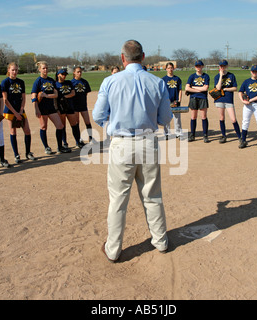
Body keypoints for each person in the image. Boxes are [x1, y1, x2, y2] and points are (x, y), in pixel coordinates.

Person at [93, 40, 173, 263]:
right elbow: (166, 118)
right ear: (143, 57)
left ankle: (113, 249)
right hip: (148, 142)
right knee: (152, 195)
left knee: (118, 199)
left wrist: (110, 126)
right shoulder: (157, 83)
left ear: (122, 58)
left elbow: (98, 115)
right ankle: (160, 241)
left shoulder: (110, 81)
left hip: (121, 144)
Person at [31, 61, 71, 155]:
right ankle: (46, 147)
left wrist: (46, 95)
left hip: (51, 107)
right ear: (40, 69)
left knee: (60, 126)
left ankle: (60, 147)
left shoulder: (51, 81)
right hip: (42, 108)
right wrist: (36, 109)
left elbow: (56, 94)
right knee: (44, 127)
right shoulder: (38, 81)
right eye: (43, 68)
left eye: (46, 68)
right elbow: (33, 96)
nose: (45, 70)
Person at [1, 62, 36, 163]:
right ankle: (16, 155)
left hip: (20, 110)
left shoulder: (21, 82)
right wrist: (15, 113)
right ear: (8, 70)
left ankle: (28, 153)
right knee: (13, 132)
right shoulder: (5, 82)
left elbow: (23, 98)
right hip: (10, 111)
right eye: (12, 70)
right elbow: (5, 100)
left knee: (27, 130)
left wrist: (20, 110)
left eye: (16, 70)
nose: (15, 72)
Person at [238, 65, 257, 150]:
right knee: (245, 122)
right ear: (251, 72)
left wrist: (250, 100)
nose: (254, 73)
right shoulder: (246, 81)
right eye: (253, 71)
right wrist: (242, 100)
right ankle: (243, 141)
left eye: (256, 71)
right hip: (247, 105)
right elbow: (240, 92)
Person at [55, 68, 85, 149]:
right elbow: (55, 97)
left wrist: (64, 96)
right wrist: (57, 108)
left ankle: (78, 141)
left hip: (70, 106)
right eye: (62, 74)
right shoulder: (56, 84)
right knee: (63, 126)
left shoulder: (68, 82)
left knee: (74, 124)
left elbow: (73, 93)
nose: (64, 76)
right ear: (58, 75)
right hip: (61, 108)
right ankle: (65, 143)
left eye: (65, 74)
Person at [213, 60, 241, 144]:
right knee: (221, 117)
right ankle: (224, 135)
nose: (222, 67)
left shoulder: (231, 76)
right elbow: (217, 88)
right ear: (219, 67)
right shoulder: (217, 76)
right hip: (219, 99)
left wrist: (225, 89)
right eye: (221, 66)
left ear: (226, 66)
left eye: (224, 66)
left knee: (233, 119)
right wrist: (221, 76)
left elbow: (235, 88)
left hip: (228, 99)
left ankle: (240, 136)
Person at [185, 60, 210, 143]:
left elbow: (205, 88)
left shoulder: (206, 76)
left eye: (199, 66)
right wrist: (200, 89)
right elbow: (187, 88)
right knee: (193, 117)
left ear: (202, 66)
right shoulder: (192, 76)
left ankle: (205, 135)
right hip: (193, 98)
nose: (198, 67)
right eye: (197, 66)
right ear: (195, 67)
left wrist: (194, 88)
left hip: (203, 98)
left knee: (203, 116)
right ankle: (192, 135)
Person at [71, 66, 93, 143]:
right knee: (77, 123)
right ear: (74, 73)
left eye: (80, 71)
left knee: (87, 121)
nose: (79, 73)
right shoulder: (71, 83)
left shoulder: (84, 82)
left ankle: (91, 138)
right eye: (78, 72)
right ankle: (79, 139)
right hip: (75, 106)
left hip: (83, 105)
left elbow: (86, 93)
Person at [162, 62, 183, 139]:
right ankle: (167, 133)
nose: (170, 69)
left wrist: (179, 100)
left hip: (175, 100)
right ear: (166, 69)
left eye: (171, 68)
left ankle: (178, 133)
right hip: (166, 101)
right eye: (168, 68)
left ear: (173, 68)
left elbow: (180, 90)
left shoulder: (177, 79)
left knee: (177, 118)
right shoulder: (163, 79)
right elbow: (162, 91)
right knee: (166, 118)